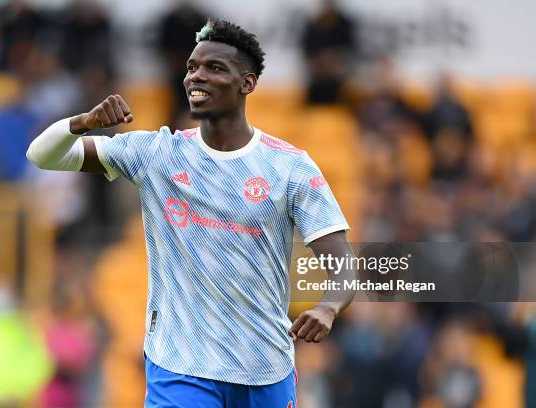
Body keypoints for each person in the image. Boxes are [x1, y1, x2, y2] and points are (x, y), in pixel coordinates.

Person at [26, 19, 355, 407]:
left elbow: (342, 264)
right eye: (192, 67)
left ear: (247, 83)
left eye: (214, 68)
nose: (196, 76)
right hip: (179, 366)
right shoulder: (156, 153)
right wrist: (83, 123)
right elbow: (42, 155)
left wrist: (328, 308)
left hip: (265, 367)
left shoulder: (290, 168)